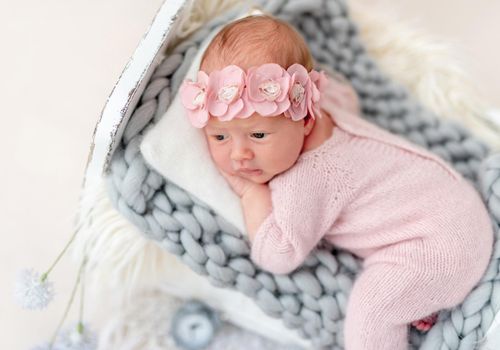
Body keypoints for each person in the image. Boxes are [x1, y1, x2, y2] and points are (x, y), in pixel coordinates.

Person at [179, 14, 494, 350]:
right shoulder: (327, 112)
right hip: (457, 207)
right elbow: (346, 97)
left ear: (303, 120)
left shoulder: (307, 176)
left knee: (371, 307)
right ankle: (421, 296)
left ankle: (421, 296)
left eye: (258, 135)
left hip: (439, 250)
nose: (240, 154)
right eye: (219, 136)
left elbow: (280, 254)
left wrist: (250, 194)